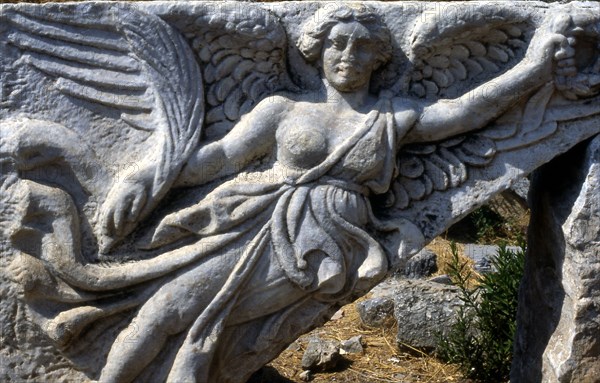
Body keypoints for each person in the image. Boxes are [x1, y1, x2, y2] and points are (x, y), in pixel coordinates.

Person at [5, 5, 573, 382]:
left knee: (205, 324)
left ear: (379, 57)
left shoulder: (393, 115)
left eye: (359, 47)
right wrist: (148, 176)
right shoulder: (283, 108)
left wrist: (534, 68)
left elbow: (466, 111)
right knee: (159, 313)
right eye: (336, 45)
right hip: (251, 218)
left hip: (325, 242)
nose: (347, 56)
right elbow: (219, 159)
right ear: (317, 51)